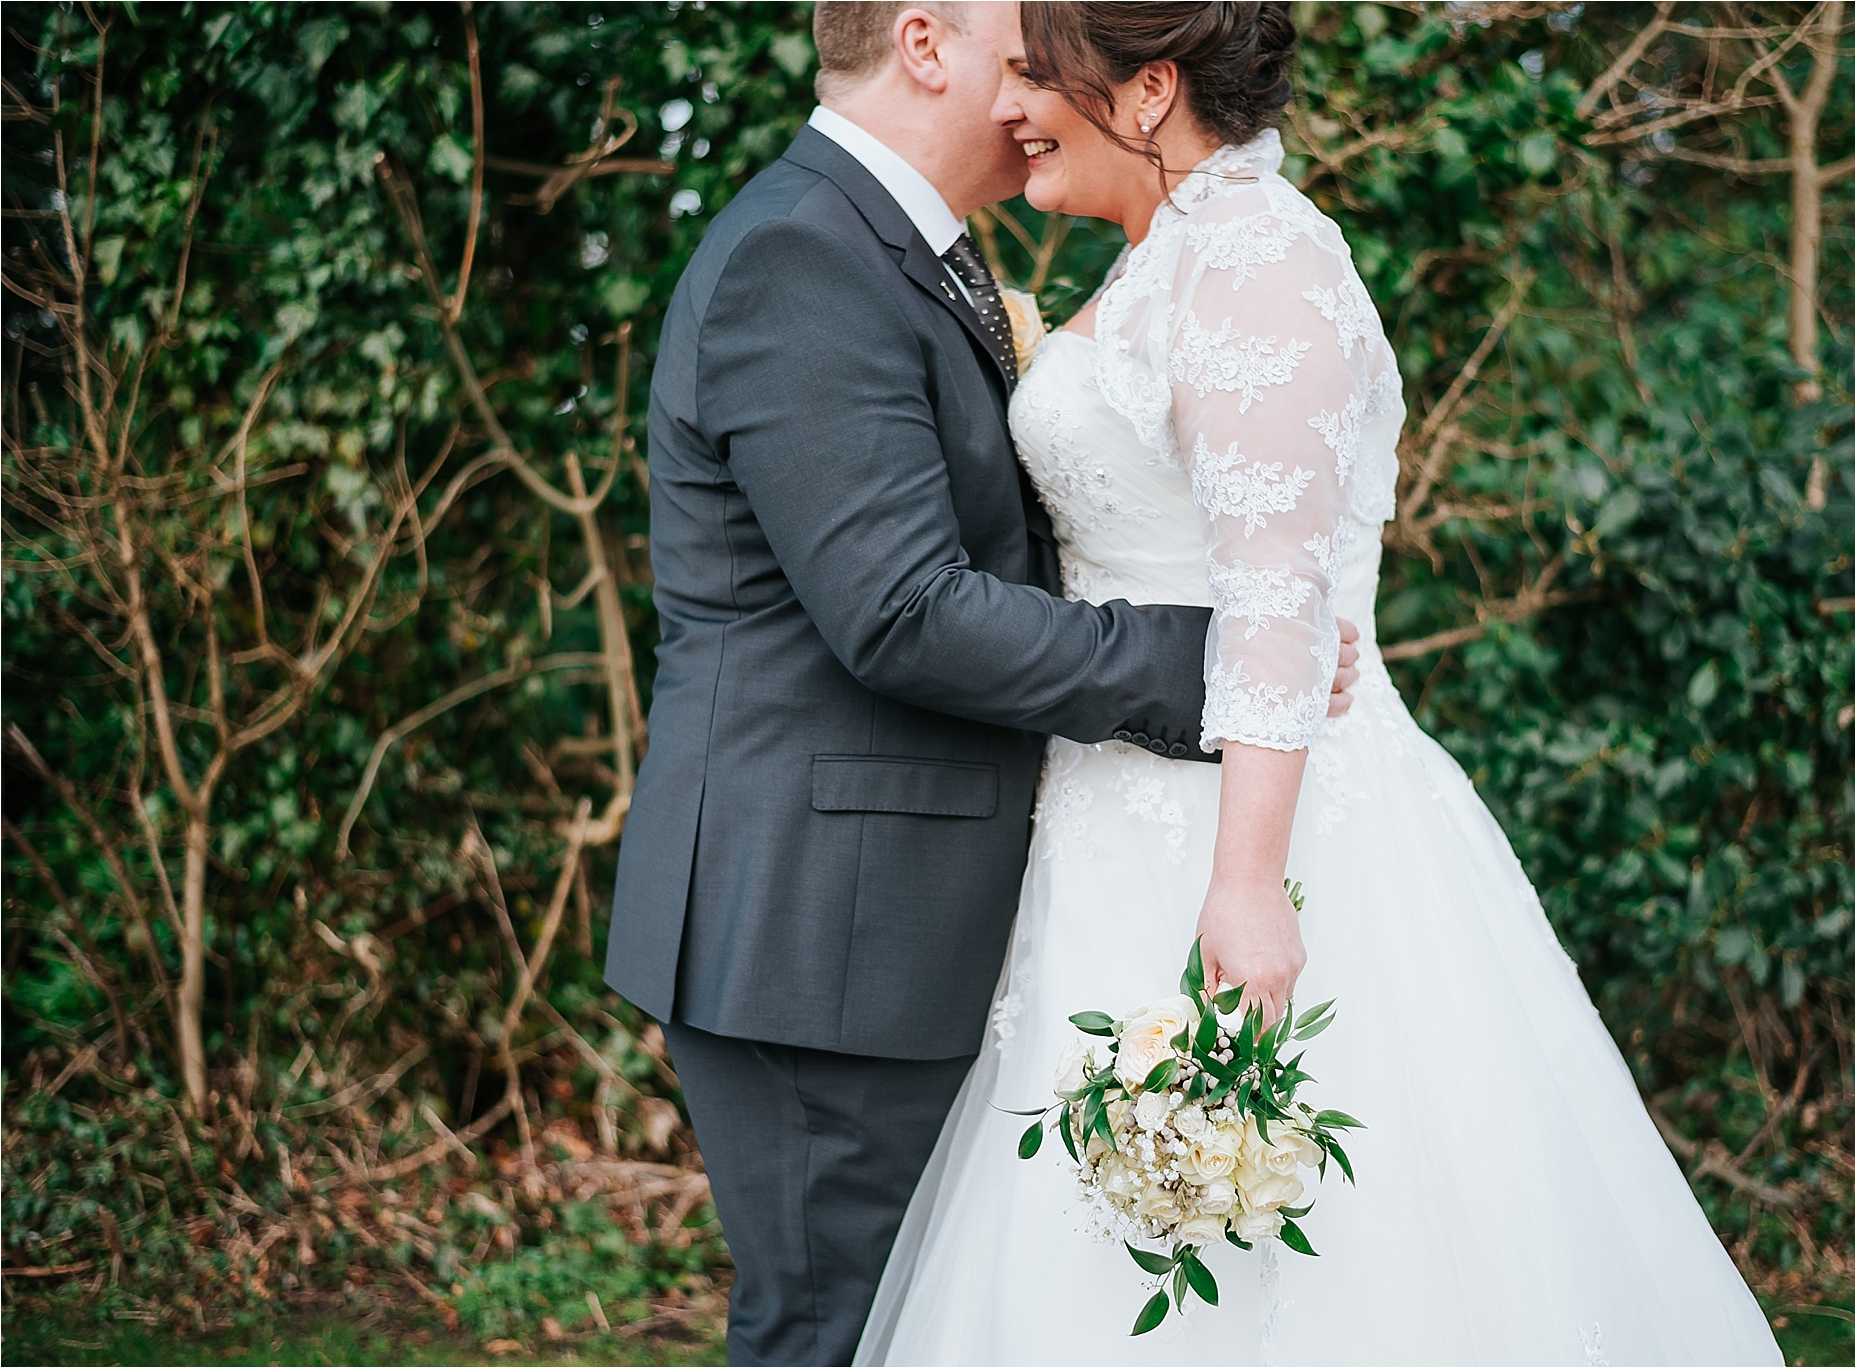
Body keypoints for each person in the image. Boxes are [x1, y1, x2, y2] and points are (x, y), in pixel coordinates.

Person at [855, 5, 1786, 1364]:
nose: (1011, 109)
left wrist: (1244, 888)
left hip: (1253, 836)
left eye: (1037, 79)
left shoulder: (1257, 261)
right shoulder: (1163, 257)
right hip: (1111, 825)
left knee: (1297, 1240)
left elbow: (1278, 600)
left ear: (1151, 90)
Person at [603, 4, 1361, 1363]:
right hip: (821, 937)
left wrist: (1267, 634)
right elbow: (902, 612)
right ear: (923, 45)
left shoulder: (899, 250)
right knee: (840, 1332)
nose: (1037, 95)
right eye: (1021, 58)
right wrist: (1213, 655)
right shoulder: (802, 259)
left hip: (899, 921)